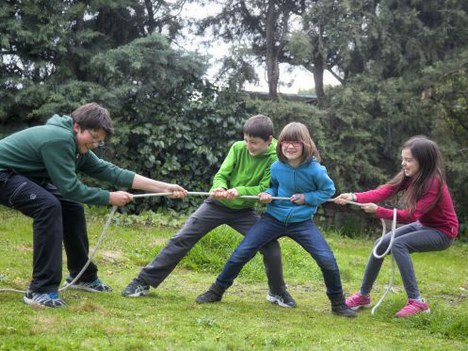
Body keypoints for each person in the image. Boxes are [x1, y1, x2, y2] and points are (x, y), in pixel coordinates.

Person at [0, 102, 187, 308]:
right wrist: (109, 197)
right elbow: (70, 187)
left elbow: (112, 172)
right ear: (77, 127)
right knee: (48, 206)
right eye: (94, 138)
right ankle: (40, 290)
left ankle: (82, 276)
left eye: (100, 141)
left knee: (71, 206)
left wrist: (165, 187)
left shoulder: (77, 146)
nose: (96, 144)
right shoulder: (59, 140)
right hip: (4, 174)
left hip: (23, 176)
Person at [122, 114, 296, 308]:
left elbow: (264, 188)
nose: (248, 146)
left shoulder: (276, 158)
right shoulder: (238, 148)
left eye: (254, 143)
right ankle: (143, 281)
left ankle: (277, 292)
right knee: (183, 237)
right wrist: (220, 187)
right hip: (216, 204)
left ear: (269, 140)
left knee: (270, 245)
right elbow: (222, 175)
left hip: (244, 211)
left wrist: (239, 192)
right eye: (246, 140)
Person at [195, 122, 356, 317]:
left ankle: (338, 304)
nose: (289, 146)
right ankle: (216, 291)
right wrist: (267, 194)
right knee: (242, 252)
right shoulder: (277, 167)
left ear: (306, 144)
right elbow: (273, 187)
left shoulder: (316, 170)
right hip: (273, 218)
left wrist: (307, 198)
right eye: (285, 142)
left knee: (326, 260)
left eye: (295, 142)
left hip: (301, 223)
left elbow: (328, 191)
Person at [334, 136, 458, 317]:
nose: (403, 164)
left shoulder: (433, 182)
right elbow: (384, 191)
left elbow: (410, 215)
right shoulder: (410, 176)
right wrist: (353, 197)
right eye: (403, 159)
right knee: (380, 243)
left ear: (423, 162)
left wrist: (379, 211)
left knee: (399, 244)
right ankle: (363, 295)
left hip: (443, 232)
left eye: (408, 160)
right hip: (423, 225)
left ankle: (417, 301)